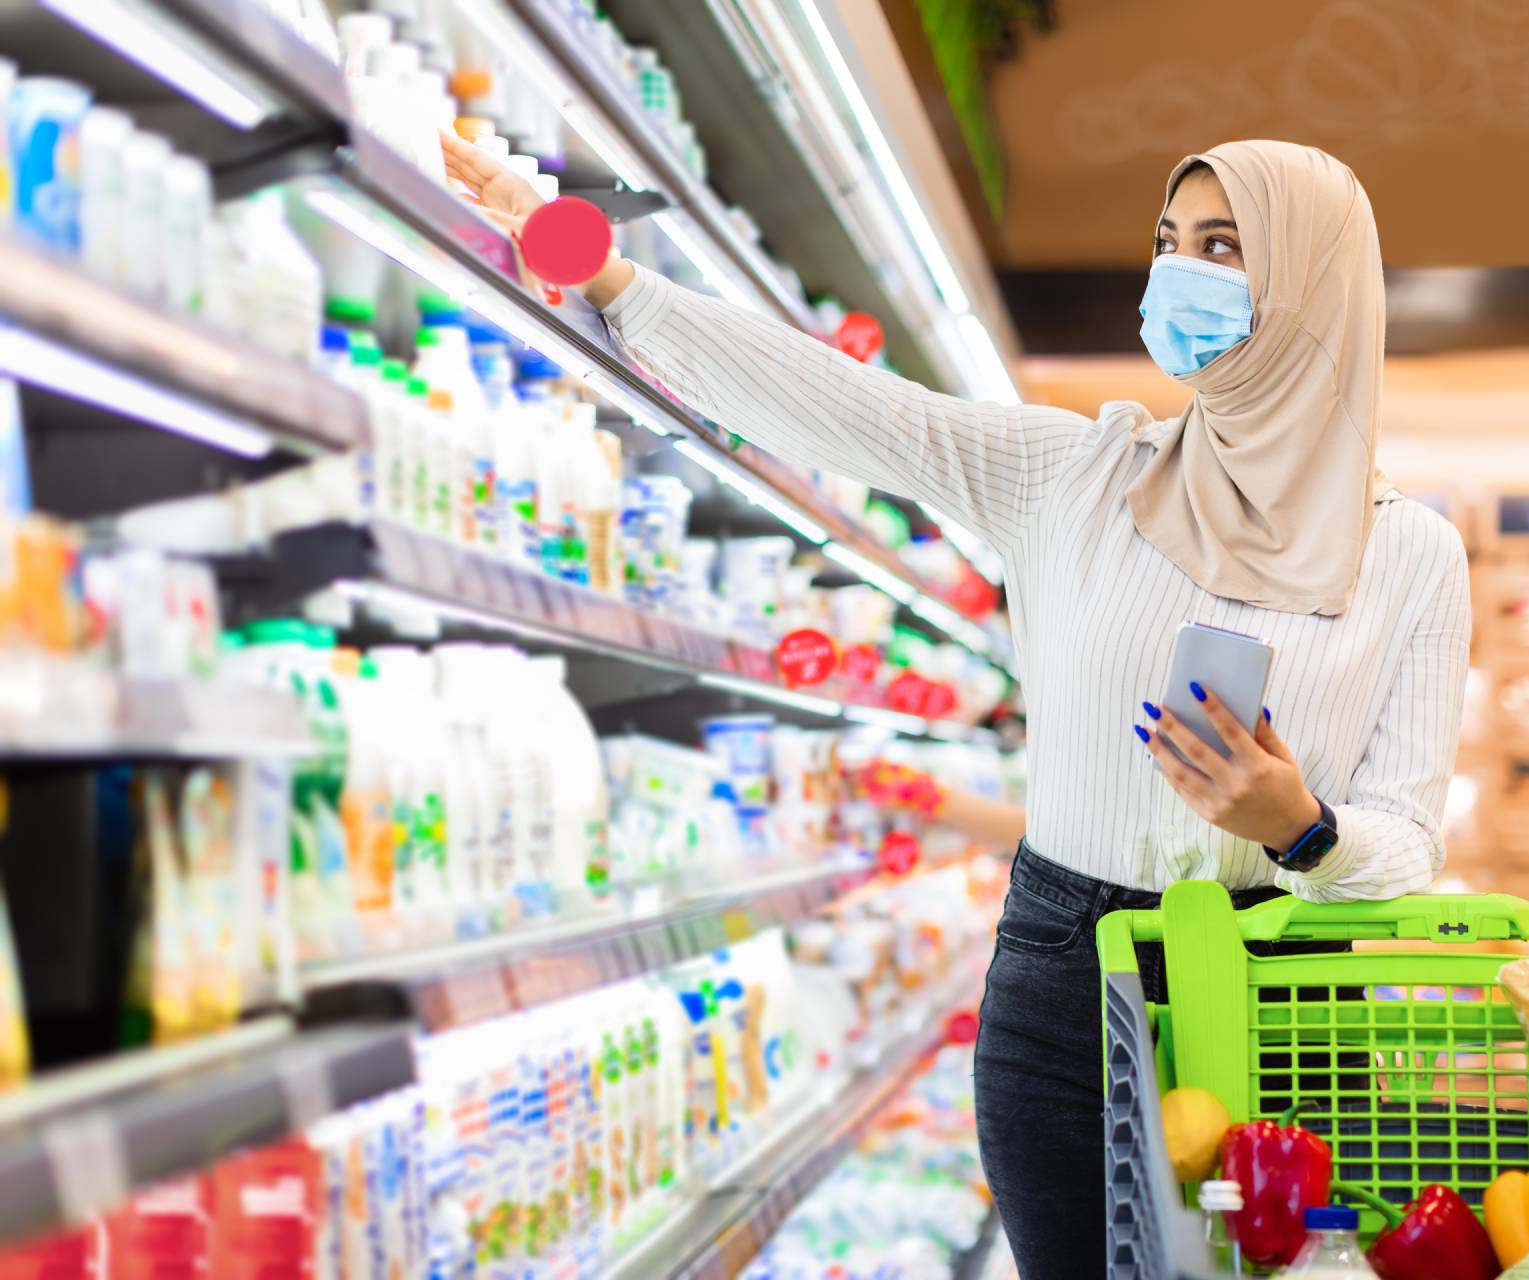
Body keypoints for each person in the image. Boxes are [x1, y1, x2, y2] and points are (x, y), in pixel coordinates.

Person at [444, 134, 1470, 1278]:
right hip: (1068, 979)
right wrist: (590, 261)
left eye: (1223, 247)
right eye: (1168, 243)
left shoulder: (1413, 556)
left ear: (1314, 281)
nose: (1179, 273)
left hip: (1289, 999)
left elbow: (1411, 846)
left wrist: (1301, 825)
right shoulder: (1075, 474)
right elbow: (843, 406)